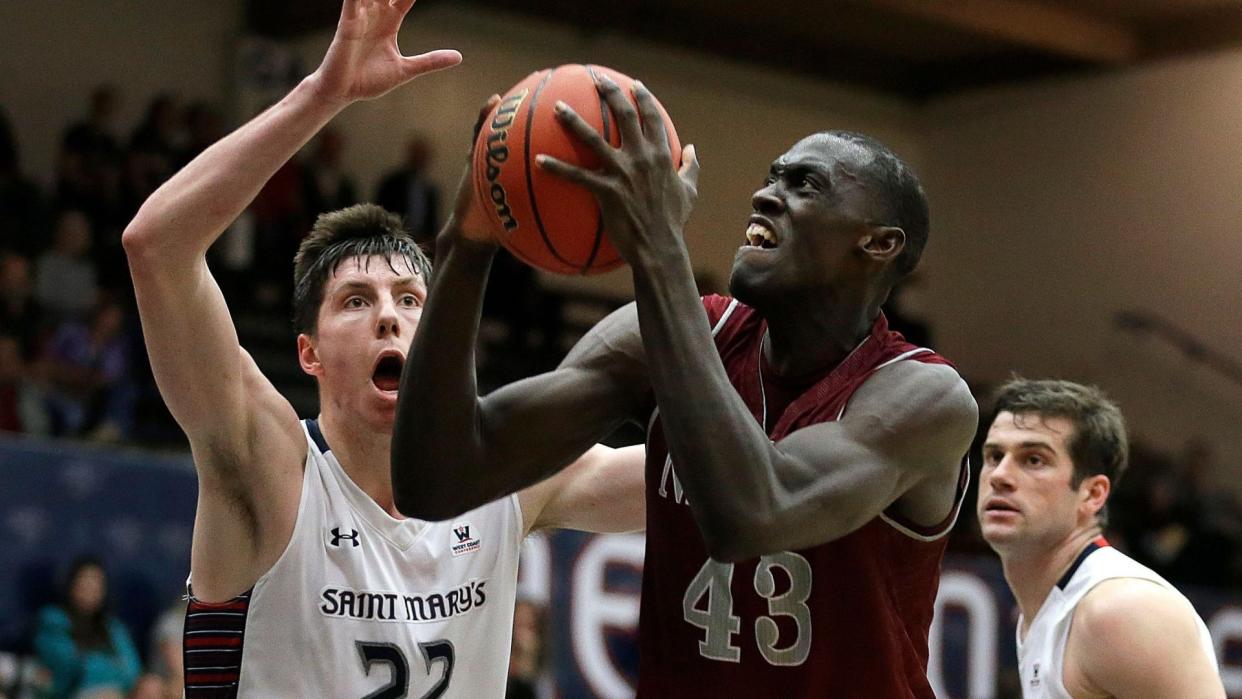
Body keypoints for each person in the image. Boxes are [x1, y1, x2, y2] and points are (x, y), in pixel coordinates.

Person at [122, 2, 643, 696]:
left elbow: (701, 478)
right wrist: (323, 95)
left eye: (409, 300)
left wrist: (661, 251)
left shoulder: (504, 482)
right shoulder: (269, 468)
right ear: (307, 352)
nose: (390, 319)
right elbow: (155, 248)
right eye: (356, 301)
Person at [394, 78, 978, 695]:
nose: (765, 194)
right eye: (772, 176)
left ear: (879, 243)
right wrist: (466, 245)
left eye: (804, 184)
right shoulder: (674, 333)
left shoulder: (924, 399)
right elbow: (439, 478)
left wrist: (659, 247)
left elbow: (750, 516)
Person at [978, 379, 1223, 698]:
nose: (999, 476)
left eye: (1033, 459)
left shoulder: (1119, 611)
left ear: (1092, 494)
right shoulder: (1043, 610)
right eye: (995, 456)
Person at [32, 557, 148, 699]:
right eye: (85, 581)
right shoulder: (52, 620)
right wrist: (112, 667)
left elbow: (133, 671)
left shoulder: (112, 627)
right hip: (72, 693)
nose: (90, 588)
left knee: (151, 685)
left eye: (96, 583)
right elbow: (71, 669)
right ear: (71, 584)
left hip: (119, 694)